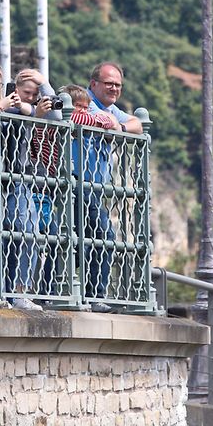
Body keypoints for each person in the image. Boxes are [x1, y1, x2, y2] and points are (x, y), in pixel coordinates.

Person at [79, 62, 144, 313]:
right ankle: (89, 296)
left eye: (118, 85)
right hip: (76, 181)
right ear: (93, 83)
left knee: (93, 240)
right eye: (109, 84)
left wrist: (121, 128)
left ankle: (89, 295)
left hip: (93, 185)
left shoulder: (109, 108)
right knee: (99, 238)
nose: (114, 88)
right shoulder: (85, 102)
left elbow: (138, 124)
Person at [0, 68, 63, 310]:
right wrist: (34, 111)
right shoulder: (10, 106)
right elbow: (21, 113)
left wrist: (43, 82)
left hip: (21, 179)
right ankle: (9, 292)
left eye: (35, 94)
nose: (32, 97)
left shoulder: (32, 108)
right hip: (3, 178)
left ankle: (18, 292)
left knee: (27, 234)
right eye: (28, 92)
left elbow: (56, 118)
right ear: (14, 90)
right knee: (11, 236)